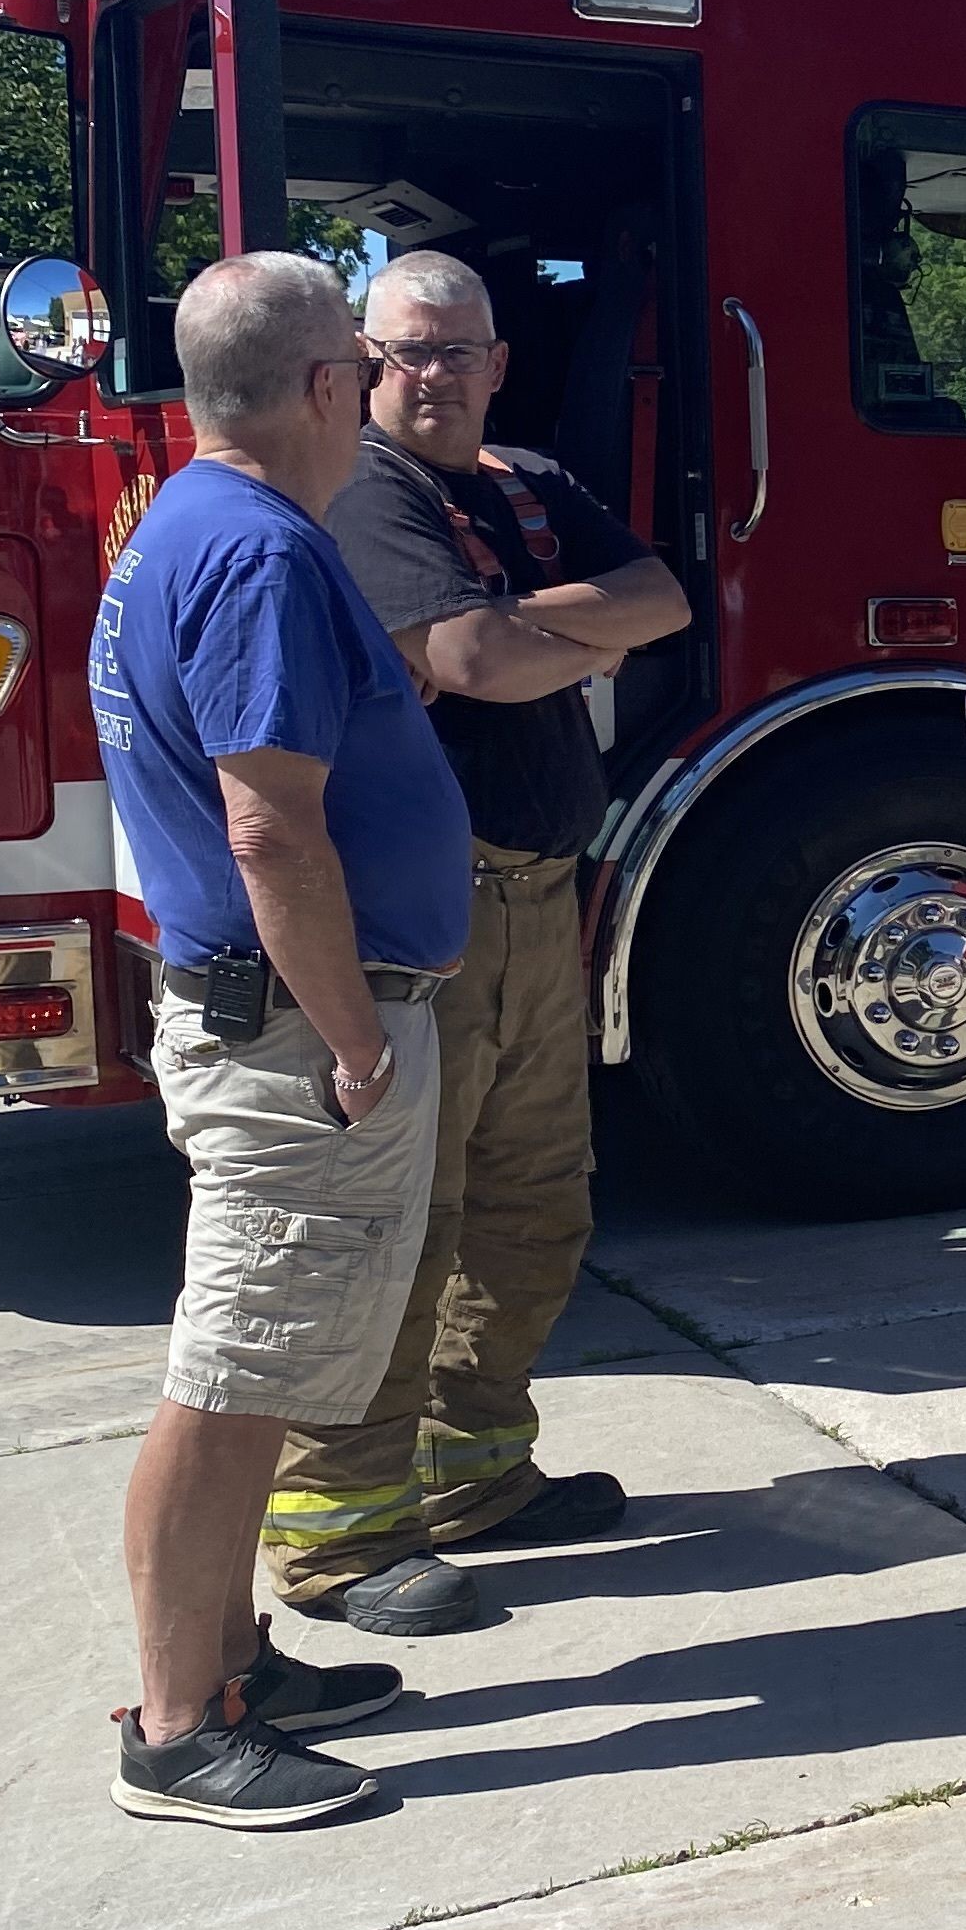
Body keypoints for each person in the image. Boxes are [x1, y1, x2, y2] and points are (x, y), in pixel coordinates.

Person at [88, 253, 473, 1828]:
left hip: (261, 1017)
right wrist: (354, 1045)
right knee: (235, 1372)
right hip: (292, 1036)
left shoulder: (183, 521)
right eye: (368, 372)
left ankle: (234, 1657)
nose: (382, 398)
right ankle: (180, 1729)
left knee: (252, 1356)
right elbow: (271, 830)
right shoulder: (257, 555)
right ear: (328, 385)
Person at [272, 253, 690, 1634]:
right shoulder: (365, 492)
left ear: (500, 361)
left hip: (534, 906)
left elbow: (668, 596)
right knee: (402, 1227)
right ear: (355, 362)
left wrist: (524, 630)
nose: (431, 375)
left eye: (457, 351)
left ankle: (475, 1474)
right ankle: (341, 1533)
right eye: (403, 351)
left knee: (533, 1209)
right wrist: (556, 637)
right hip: (428, 923)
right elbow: (479, 664)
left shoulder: (522, 480)